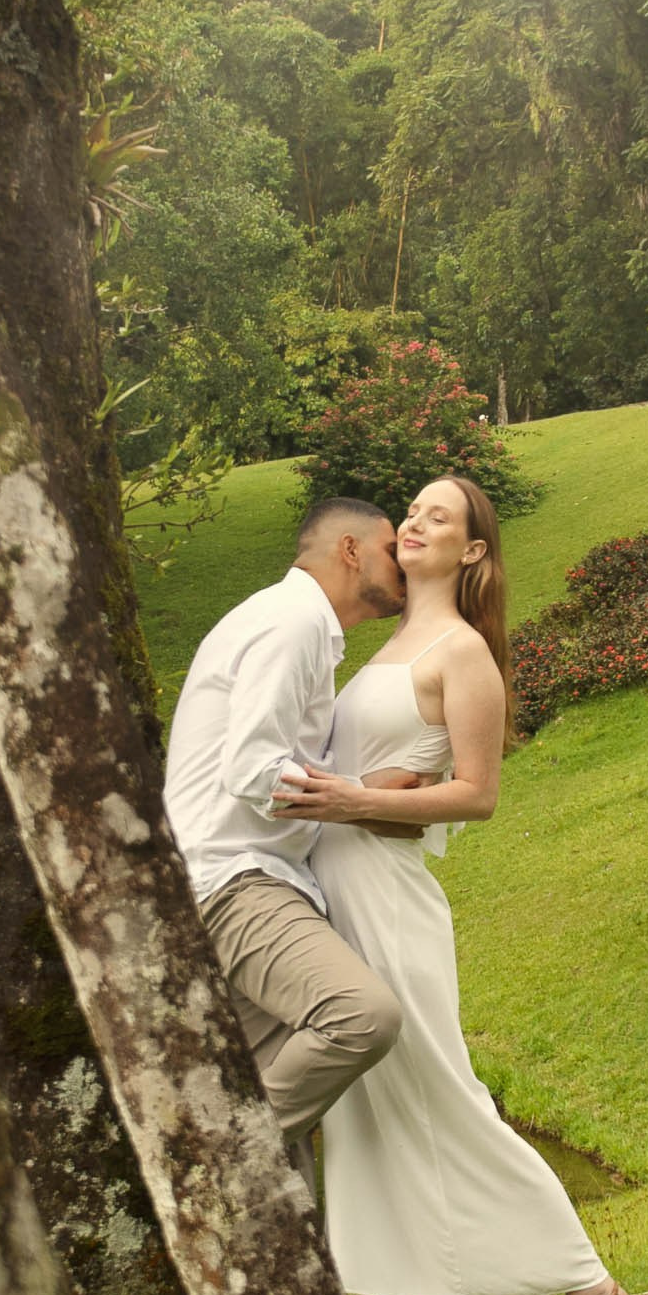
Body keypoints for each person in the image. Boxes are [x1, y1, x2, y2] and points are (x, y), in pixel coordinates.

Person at [271, 477, 642, 1295]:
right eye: (413, 510)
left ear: (473, 550)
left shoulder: (462, 650)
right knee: (379, 1102)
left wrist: (361, 799)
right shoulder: (395, 639)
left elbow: (478, 793)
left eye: (439, 516)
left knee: (440, 1091)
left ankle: (593, 1287)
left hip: (390, 894)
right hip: (341, 881)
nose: (414, 522)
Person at [164, 498, 412, 1168]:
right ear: (351, 551)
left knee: (266, 1094)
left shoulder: (293, 624)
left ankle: (286, 1261)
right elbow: (252, 769)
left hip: (239, 879)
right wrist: (356, 800)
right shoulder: (292, 622)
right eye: (393, 548)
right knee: (361, 1016)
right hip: (236, 880)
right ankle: (217, 1165)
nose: (406, 563)